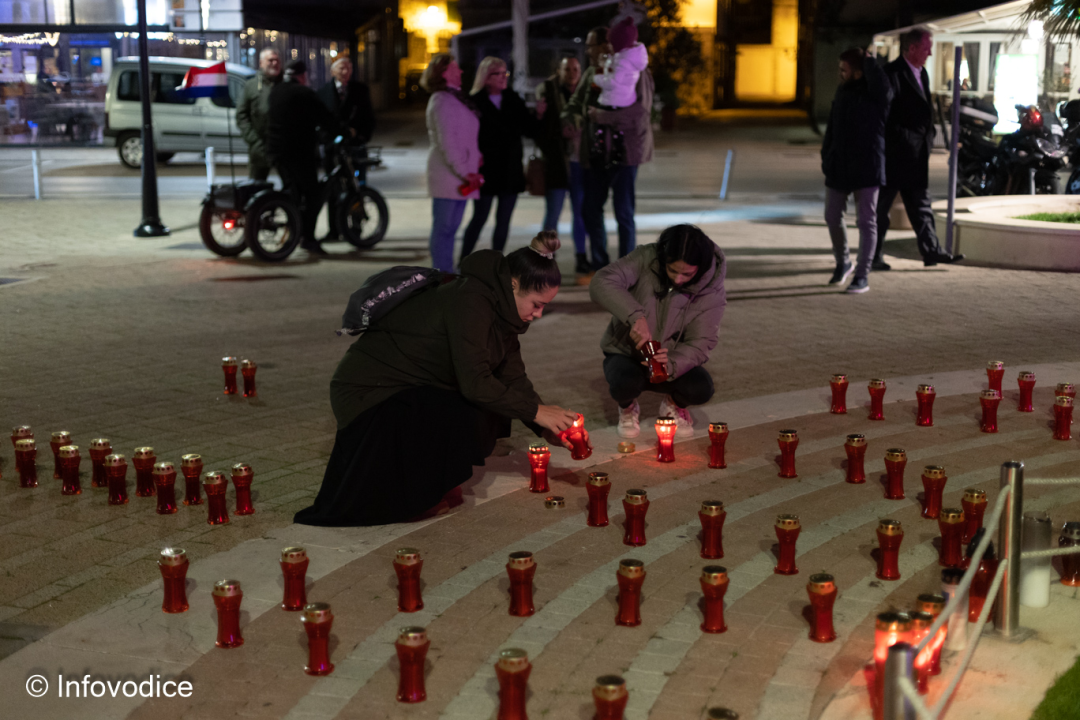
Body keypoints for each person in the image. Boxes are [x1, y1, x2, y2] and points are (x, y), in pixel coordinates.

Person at [294, 232, 588, 527]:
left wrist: (547, 428)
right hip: (370, 396)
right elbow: (476, 383)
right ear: (512, 284)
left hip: (411, 388)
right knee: (469, 403)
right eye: (536, 304)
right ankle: (411, 497)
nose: (539, 314)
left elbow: (513, 378)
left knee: (489, 403)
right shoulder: (471, 299)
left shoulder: (503, 312)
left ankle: (432, 484)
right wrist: (537, 412)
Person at [590, 224, 726, 439]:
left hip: (670, 359)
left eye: (687, 274)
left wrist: (671, 363)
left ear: (700, 268)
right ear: (663, 259)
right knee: (624, 383)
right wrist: (635, 316)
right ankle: (627, 407)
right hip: (627, 353)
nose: (678, 279)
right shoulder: (647, 258)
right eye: (672, 270)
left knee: (701, 388)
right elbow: (602, 281)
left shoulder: (711, 290)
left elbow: (701, 343)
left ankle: (673, 404)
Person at [564, 24, 654, 270]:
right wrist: (571, 119)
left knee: (623, 212)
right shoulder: (594, 72)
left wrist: (601, 116)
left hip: (625, 153)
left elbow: (639, 114)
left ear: (608, 44)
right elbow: (576, 104)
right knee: (591, 208)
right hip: (597, 151)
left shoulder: (637, 72)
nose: (588, 51)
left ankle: (627, 268)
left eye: (592, 45)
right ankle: (600, 263)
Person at [874, 27, 964, 269]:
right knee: (881, 208)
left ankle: (932, 252)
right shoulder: (891, 73)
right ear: (912, 48)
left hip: (915, 156)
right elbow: (885, 115)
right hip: (895, 156)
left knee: (921, 206)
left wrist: (928, 137)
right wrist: (903, 139)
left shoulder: (921, 73)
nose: (930, 53)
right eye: (926, 48)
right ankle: (873, 256)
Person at [821, 47, 892, 294]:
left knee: (866, 221)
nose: (840, 73)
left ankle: (862, 276)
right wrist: (826, 155)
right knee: (832, 215)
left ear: (859, 72)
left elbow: (884, 89)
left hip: (868, 165)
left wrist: (870, 62)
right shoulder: (843, 90)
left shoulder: (876, 92)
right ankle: (843, 263)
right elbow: (832, 126)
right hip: (839, 165)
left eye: (845, 69)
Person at [459, 57, 542, 262]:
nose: (504, 77)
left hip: (510, 169)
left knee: (503, 221)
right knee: (479, 217)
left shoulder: (513, 99)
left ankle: (496, 263)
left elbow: (529, 129)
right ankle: (463, 260)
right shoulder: (474, 101)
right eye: (499, 73)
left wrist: (538, 115)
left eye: (506, 73)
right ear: (486, 77)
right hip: (486, 169)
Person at [422, 53, 482, 272]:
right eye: (456, 68)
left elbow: (464, 137)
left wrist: (474, 159)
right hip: (450, 174)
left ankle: (446, 272)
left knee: (450, 229)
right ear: (445, 72)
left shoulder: (454, 97)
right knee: (444, 229)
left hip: (459, 173)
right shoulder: (442, 100)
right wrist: (465, 172)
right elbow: (448, 142)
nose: (461, 71)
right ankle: (442, 274)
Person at [267, 60, 332, 254]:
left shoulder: (276, 91)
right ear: (303, 76)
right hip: (299, 153)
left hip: (277, 152)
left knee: (293, 193)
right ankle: (308, 238)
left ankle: (295, 232)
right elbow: (326, 118)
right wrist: (343, 131)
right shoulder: (304, 93)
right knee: (313, 195)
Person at [536, 56, 589, 276]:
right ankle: (546, 259)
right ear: (560, 71)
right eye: (568, 69)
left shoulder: (586, 92)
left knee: (580, 214)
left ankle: (581, 256)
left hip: (579, 162)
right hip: (557, 162)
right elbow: (540, 130)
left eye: (576, 69)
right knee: (553, 214)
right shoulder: (549, 91)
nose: (572, 73)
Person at [317, 56, 376, 242]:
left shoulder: (360, 90)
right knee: (333, 190)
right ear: (332, 71)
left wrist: (360, 135)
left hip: (354, 147)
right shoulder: (323, 92)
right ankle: (334, 230)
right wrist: (327, 140)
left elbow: (369, 117)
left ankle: (355, 228)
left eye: (348, 69)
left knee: (357, 188)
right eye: (341, 68)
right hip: (333, 149)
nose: (345, 72)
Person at [236, 48, 281, 181]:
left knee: (291, 186)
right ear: (261, 63)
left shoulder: (285, 84)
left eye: (277, 60)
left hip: (282, 147)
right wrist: (254, 141)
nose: (274, 63)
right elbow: (241, 115)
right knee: (257, 184)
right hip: (259, 147)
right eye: (270, 60)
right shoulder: (252, 86)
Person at [594, 16, 649, 110]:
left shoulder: (623, 62)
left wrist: (596, 78)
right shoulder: (629, 57)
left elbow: (612, 83)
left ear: (618, 43)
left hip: (614, 103)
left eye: (611, 43)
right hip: (622, 100)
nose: (609, 45)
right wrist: (607, 61)